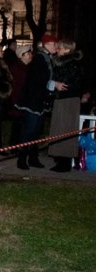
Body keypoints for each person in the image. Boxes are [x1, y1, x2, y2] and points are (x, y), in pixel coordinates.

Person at [15, 35, 56, 170]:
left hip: (39, 100)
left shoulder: (46, 58)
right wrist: (52, 84)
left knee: (36, 131)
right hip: (32, 101)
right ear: (47, 45)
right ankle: (22, 159)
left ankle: (33, 158)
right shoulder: (39, 58)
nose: (55, 46)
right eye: (53, 44)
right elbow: (38, 80)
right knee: (29, 130)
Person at [47, 39, 85, 172]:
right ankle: (61, 160)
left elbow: (66, 82)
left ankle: (64, 162)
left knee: (65, 129)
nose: (58, 49)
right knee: (61, 128)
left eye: (61, 48)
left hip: (67, 100)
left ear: (67, 50)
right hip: (66, 99)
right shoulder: (69, 63)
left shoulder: (69, 64)